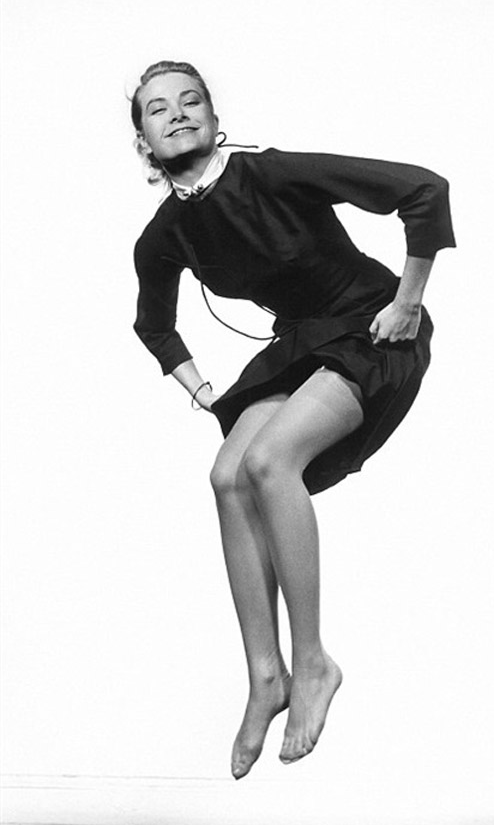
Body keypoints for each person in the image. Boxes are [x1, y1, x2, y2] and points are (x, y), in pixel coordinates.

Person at [130, 60, 456, 780]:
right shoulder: (165, 234)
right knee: (226, 475)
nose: (178, 113)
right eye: (158, 108)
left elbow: (423, 190)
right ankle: (265, 677)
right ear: (144, 142)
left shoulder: (269, 173)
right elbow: (153, 325)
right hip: (302, 343)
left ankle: (313, 664)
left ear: (215, 119)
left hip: (371, 327)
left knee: (268, 461)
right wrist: (200, 387)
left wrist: (407, 301)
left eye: (191, 100)